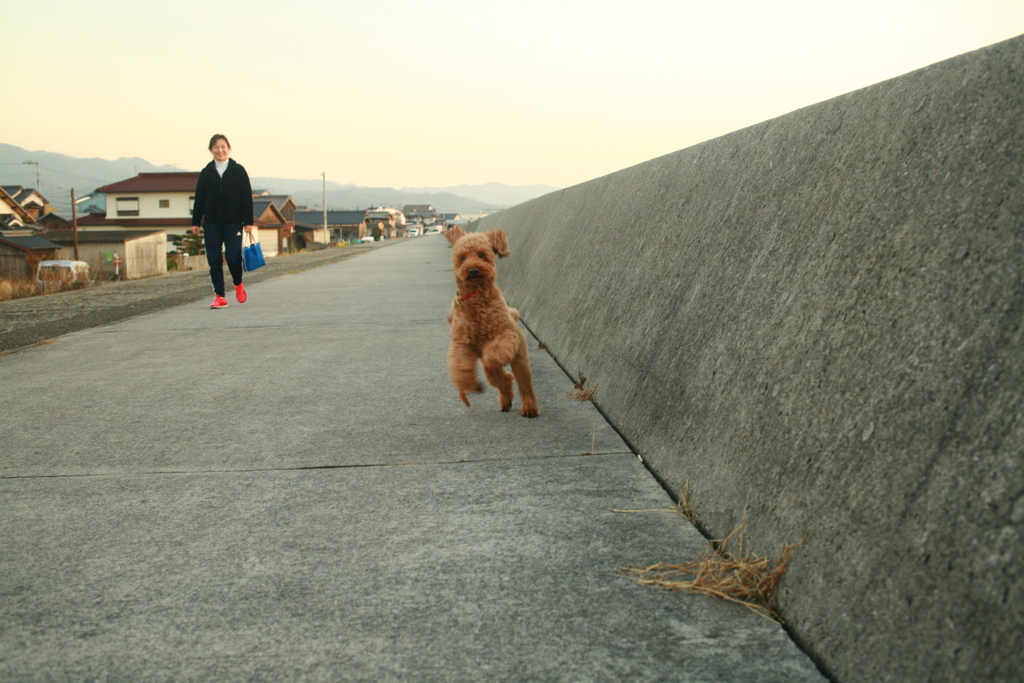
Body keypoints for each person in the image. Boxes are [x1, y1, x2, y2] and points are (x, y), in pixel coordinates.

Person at [191, 134, 255, 309]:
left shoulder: (238, 170)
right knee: (214, 259)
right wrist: (195, 222)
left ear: (229, 148)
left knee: (233, 257)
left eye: (223, 146)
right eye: (216, 147)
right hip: (211, 223)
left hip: (233, 222)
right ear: (211, 150)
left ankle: (238, 283)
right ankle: (220, 296)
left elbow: (246, 197)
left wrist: (248, 221)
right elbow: (200, 199)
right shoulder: (206, 173)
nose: (220, 150)